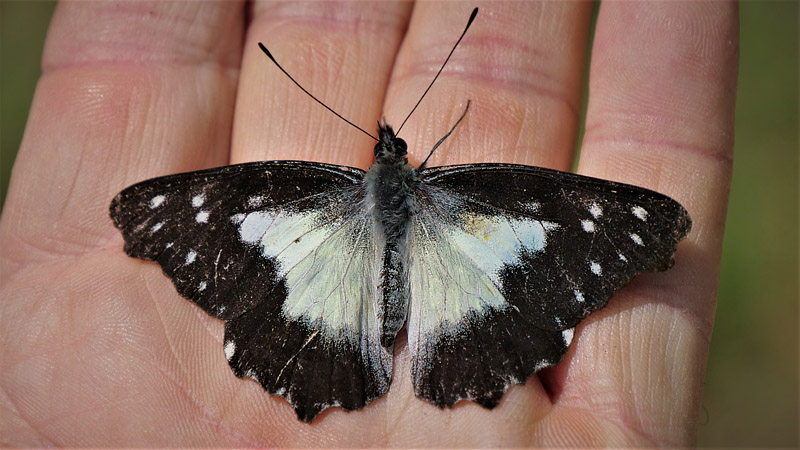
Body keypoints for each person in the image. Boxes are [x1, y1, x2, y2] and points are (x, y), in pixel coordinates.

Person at [0, 1, 736, 446]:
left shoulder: (284, 194)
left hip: (339, 298)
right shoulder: (484, 192)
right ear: (410, 161)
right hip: (432, 299)